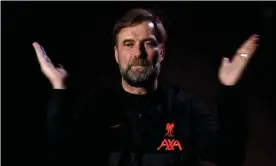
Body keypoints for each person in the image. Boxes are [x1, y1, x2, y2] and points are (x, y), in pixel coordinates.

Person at [34, 8, 259, 166]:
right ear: (116, 54)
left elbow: (229, 155)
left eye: (148, 43)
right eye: (128, 44)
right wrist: (58, 88)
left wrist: (230, 89)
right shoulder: (97, 106)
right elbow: (58, 157)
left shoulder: (184, 106)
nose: (138, 53)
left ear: (161, 52)